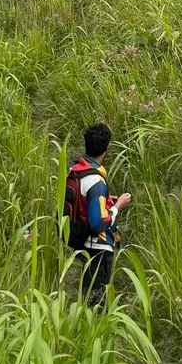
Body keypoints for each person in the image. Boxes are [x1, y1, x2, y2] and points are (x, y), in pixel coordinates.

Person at [64, 122, 131, 305]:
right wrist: (118, 206)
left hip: (79, 240)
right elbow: (98, 223)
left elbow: (83, 199)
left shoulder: (76, 169)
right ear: (106, 150)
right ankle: (91, 329)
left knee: (86, 293)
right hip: (97, 248)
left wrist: (106, 199)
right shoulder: (96, 181)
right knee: (95, 302)